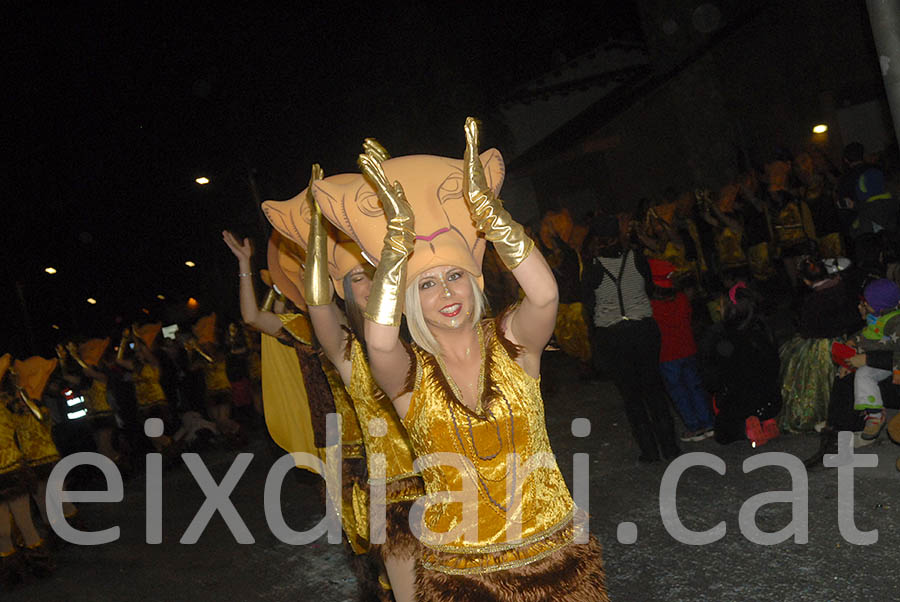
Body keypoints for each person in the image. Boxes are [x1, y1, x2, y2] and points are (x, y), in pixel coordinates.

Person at [319, 119, 608, 600]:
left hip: (556, 566)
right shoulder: (409, 377)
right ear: (411, 300)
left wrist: (491, 215)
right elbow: (380, 343)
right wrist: (396, 245)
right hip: (464, 579)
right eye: (426, 285)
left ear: (474, 283)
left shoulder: (514, 344)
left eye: (455, 276)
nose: (445, 292)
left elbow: (545, 294)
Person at [262, 157, 426, 602]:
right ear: (340, 287)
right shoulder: (346, 351)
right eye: (356, 277)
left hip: (455, 488)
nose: (369, 284)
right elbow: (316, 303)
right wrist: (316, 229)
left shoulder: (429, 338)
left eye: (374, 272)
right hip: (397, 501)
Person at [224, 227, 389, 602]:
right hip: (337, 441)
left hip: (387, 436)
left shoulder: (384, 321)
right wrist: (245, 265)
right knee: (360, 530)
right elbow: (252, 317)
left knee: (399, 523)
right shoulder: (308, 328)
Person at [582, 212, 681, 463]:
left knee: (632, 397)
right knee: (654, 390)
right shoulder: (636, 258)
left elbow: (589, 304)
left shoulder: (593, 268)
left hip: (613, 335)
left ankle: (649, 451)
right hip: (643, 330)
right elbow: (648, 289)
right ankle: (670, 447)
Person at [777, 257, 862, 432]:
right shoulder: (842, 288)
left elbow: (808, 328)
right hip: (846, 339)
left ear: (806, 281)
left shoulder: (812, 301)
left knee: (812, 380)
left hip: (822, 345)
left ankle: (828, 414)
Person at [698, 283, 782, 445]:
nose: (717, 309)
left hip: (738, 400)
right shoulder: (762, 328)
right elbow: (774, 365)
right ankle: (767, 421)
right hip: (770, 398)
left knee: (723, 435)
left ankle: (747, 427)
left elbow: (711, 376)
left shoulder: (718, 335)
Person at [648, 259, 715, 441]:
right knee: (695, 387)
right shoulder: (682, 298)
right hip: (688, 349)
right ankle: (708, 422)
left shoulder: (651, 306)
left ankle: (694, 427)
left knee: (679, 393)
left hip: (666, 356)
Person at [0, 354, 51, 587]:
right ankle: (12, 572)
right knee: (2, 531)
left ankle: (40, 565)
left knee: (24, 522)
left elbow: (37, 415)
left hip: (11, 470)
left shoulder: (7, 402)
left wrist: (21, 394)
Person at [844, 278, 900, 440]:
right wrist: (854, 341)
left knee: (865, 373)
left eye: (866, 302)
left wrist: (898, 370)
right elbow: (868, 334)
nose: (864, 305)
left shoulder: (895, 321)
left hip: (891, 362)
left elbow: (899, 349)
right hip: (879, 361)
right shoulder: (877, 317)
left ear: (877, 304)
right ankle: (874, 414)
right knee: (863, 374)